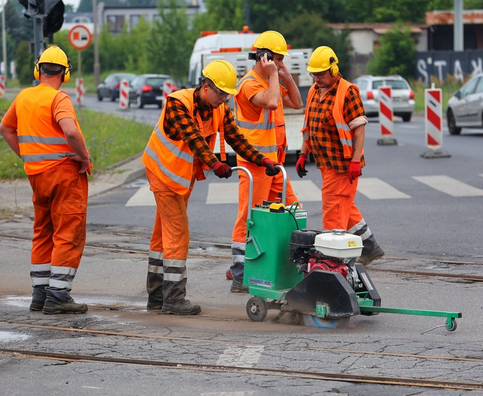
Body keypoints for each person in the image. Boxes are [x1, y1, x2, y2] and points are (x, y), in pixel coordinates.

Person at [142, 60, 279, 315]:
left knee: (163, 233)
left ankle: (156, 295)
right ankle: (173, 298)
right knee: (177, 233)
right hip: (163, 172)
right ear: (205, 86)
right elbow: (193, 138)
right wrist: (215, 164)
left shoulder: (220, 109)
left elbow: (237, 138)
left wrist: (261, 159)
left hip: (180, 177)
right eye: (220, 92)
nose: (223, 98)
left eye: (227, 94)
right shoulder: (178, 103)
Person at [0, 46, 92, 314]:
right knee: (68, 232)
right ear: (65, 74)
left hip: (36, 175)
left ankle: (40, 294)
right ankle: (59, 295)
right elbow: (71, 131)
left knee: (43, 231)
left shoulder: (23, 97)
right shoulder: (58, 98)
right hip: (64, 174)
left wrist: (27, 155)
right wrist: (84, 157)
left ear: (38, 70)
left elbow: (5, 129)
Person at [228, 30, 303, 292]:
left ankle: (290, 266)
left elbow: (296, 101)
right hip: (253, 164)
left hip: (272, 165)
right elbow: (271, 103)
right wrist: (273, 75)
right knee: (248, 218)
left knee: (294, 210)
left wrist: (285, 76)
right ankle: (239, 272)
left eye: (282, 59)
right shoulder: (250, 84)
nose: (281, 63)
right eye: (278, 59)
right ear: (264, 57)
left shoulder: (271, 80)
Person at [296, 46, 384, 266]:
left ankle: (334, 261)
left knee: (334, 213)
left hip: (343, 166)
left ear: (334, 69)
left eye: (321, 74)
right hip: (326, 164)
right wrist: (302, 154)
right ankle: (370, 246)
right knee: (345, 206)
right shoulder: (314, 92)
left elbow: (359, 130)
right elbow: (308, 126)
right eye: (314, 74)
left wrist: (355, 161)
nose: (317, 78)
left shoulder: (348, 92)